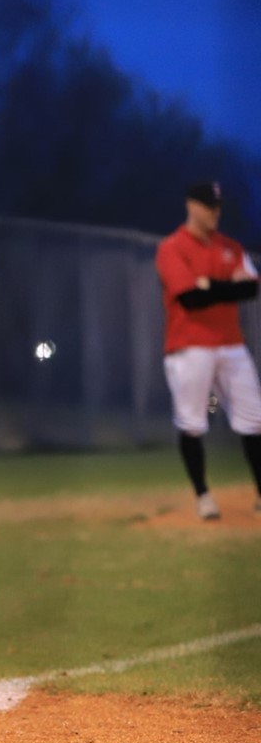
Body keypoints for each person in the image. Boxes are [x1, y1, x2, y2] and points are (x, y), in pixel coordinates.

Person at [154, 181, 261, 520]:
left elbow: (251, 290)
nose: (215, 211)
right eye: (207, 204)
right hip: (188, 346)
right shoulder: (172, 248)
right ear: (190, 205)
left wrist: (211, 285)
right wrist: (227, 287)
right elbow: (190, 298)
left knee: (255, 420)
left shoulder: (231, 246)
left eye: (217, 204)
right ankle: (203, 496)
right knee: (192, 423)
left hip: (231, 346)